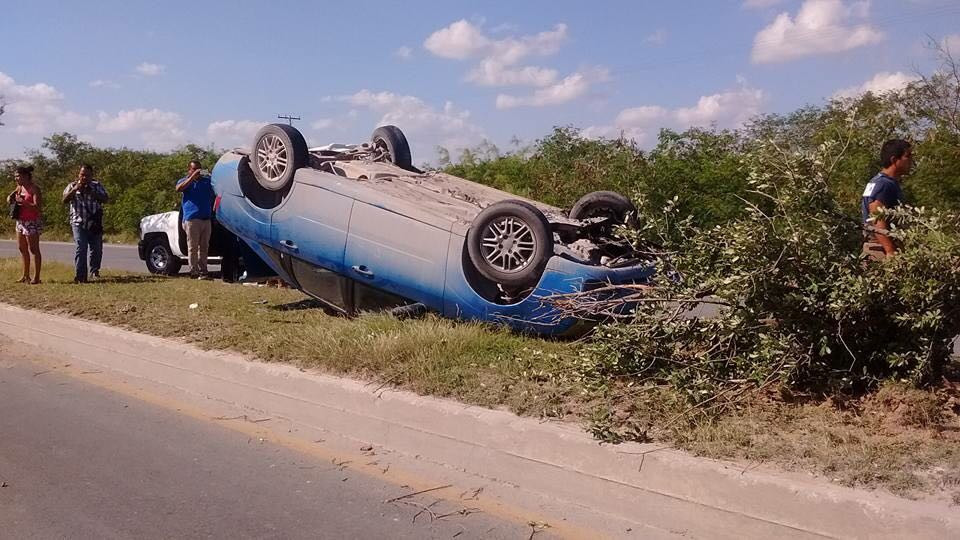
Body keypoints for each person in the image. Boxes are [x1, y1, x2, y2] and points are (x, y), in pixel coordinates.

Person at [861, 139, 912, 261]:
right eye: (907, 156)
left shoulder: (879, 182)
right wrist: (890, 251)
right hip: (881, 251)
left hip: (879, 248)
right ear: (894, 160)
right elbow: (877, 219)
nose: (911, 160)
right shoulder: (884, 184)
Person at [62, 163, 108, 283]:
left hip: (94, 222)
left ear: (91, 175)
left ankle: (94, 271)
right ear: (79, 174)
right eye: (82, 175)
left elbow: (106, 199)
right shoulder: (72, 185)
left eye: (87, 175)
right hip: (78, 222)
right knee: (81, 247)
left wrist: (93, 193)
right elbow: (64, 200)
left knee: (96, 248)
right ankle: (80, 275)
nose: (84, 178)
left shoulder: (97, 186)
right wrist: (74, 190)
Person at [176, 160, 214, 279]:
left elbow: (217, 187)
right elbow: (178, 188)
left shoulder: (206, 182)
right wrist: (192, 177)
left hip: (206, 219)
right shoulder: (185, 181)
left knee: (204, 246)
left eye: (199, 168)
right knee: (193, 246)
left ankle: (203, 271)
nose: (197, 171)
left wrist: (211, 174)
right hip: (192, 219)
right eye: (194, 169)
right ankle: (193, 271)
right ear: (189, 170)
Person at [7, 165, 43, 284]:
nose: (16, 178)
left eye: (18, 176)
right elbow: (11, 198)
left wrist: (24, 202)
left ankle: (36, 277)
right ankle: (25, 275)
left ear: (26, 176)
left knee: (34, 249)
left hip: (31, 221)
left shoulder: (34, 189)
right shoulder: (19, 188)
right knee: (22, 248)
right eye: (15, 176)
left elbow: (37, 207)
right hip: (20, 221)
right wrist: (10, 198)